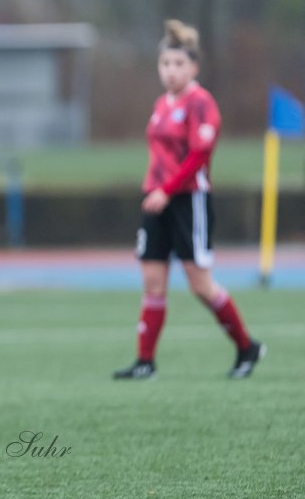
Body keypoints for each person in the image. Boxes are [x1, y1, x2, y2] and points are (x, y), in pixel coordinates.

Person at [113, 19, 264, 381]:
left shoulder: (201, 104)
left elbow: (199, 154)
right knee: (152, 281)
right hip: (157, 200)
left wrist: (168, 191)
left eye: (179, 64)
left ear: (194, 67)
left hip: (187, 201)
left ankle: (247, 347)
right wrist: (155, 189)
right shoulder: (161, 104)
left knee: (200, 284)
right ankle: (145, 362)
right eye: (166, 64)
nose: (171, 71)